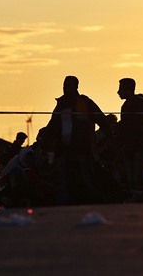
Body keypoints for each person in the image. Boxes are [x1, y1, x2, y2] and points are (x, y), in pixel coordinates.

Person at [42, 75, 112, 205]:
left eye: (67, 86)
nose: (64, 88)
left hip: (82, 150)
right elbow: (52, 126)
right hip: (64, 151)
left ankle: (97, 204)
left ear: (75, 86)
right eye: (64, 86)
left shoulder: (84, 103)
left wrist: (108, 139)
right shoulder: (61, 105)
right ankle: (66, 207)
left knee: (87, 179)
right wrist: (43, 144)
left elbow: (102, 120)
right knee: (65, 181)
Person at [116, 78, 143, 190]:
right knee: (131, 177)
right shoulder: (125, 106)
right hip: (129, 147)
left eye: (121, 89)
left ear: (128, 89)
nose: (118, 92)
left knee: (137, 176)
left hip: (140, 147)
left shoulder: (141, 104)